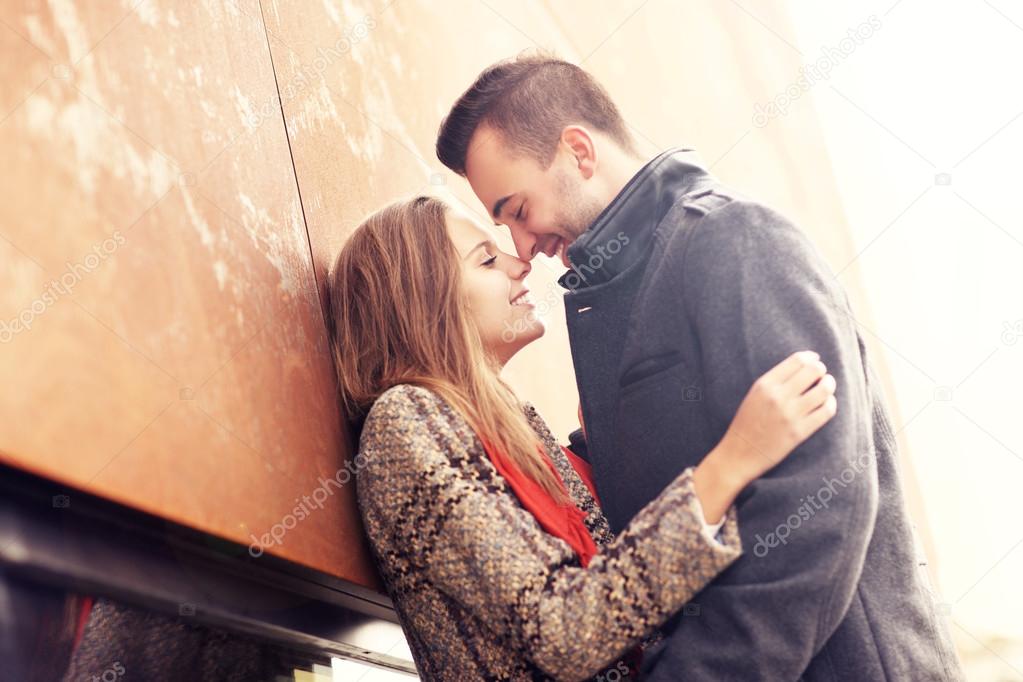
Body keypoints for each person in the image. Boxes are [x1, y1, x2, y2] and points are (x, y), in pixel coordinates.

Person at [434, 53, 964, 680]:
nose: (523, 248)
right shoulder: (612, 294)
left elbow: (819, 510)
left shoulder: (733, 239)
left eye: (518, 211)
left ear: (579, 152)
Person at [325, 195, 838, 681]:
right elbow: (565, 631)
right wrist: (736, 459)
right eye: (486, 260)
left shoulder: (508, 418)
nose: (519, 263)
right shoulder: (407, 418)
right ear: (423, 301)